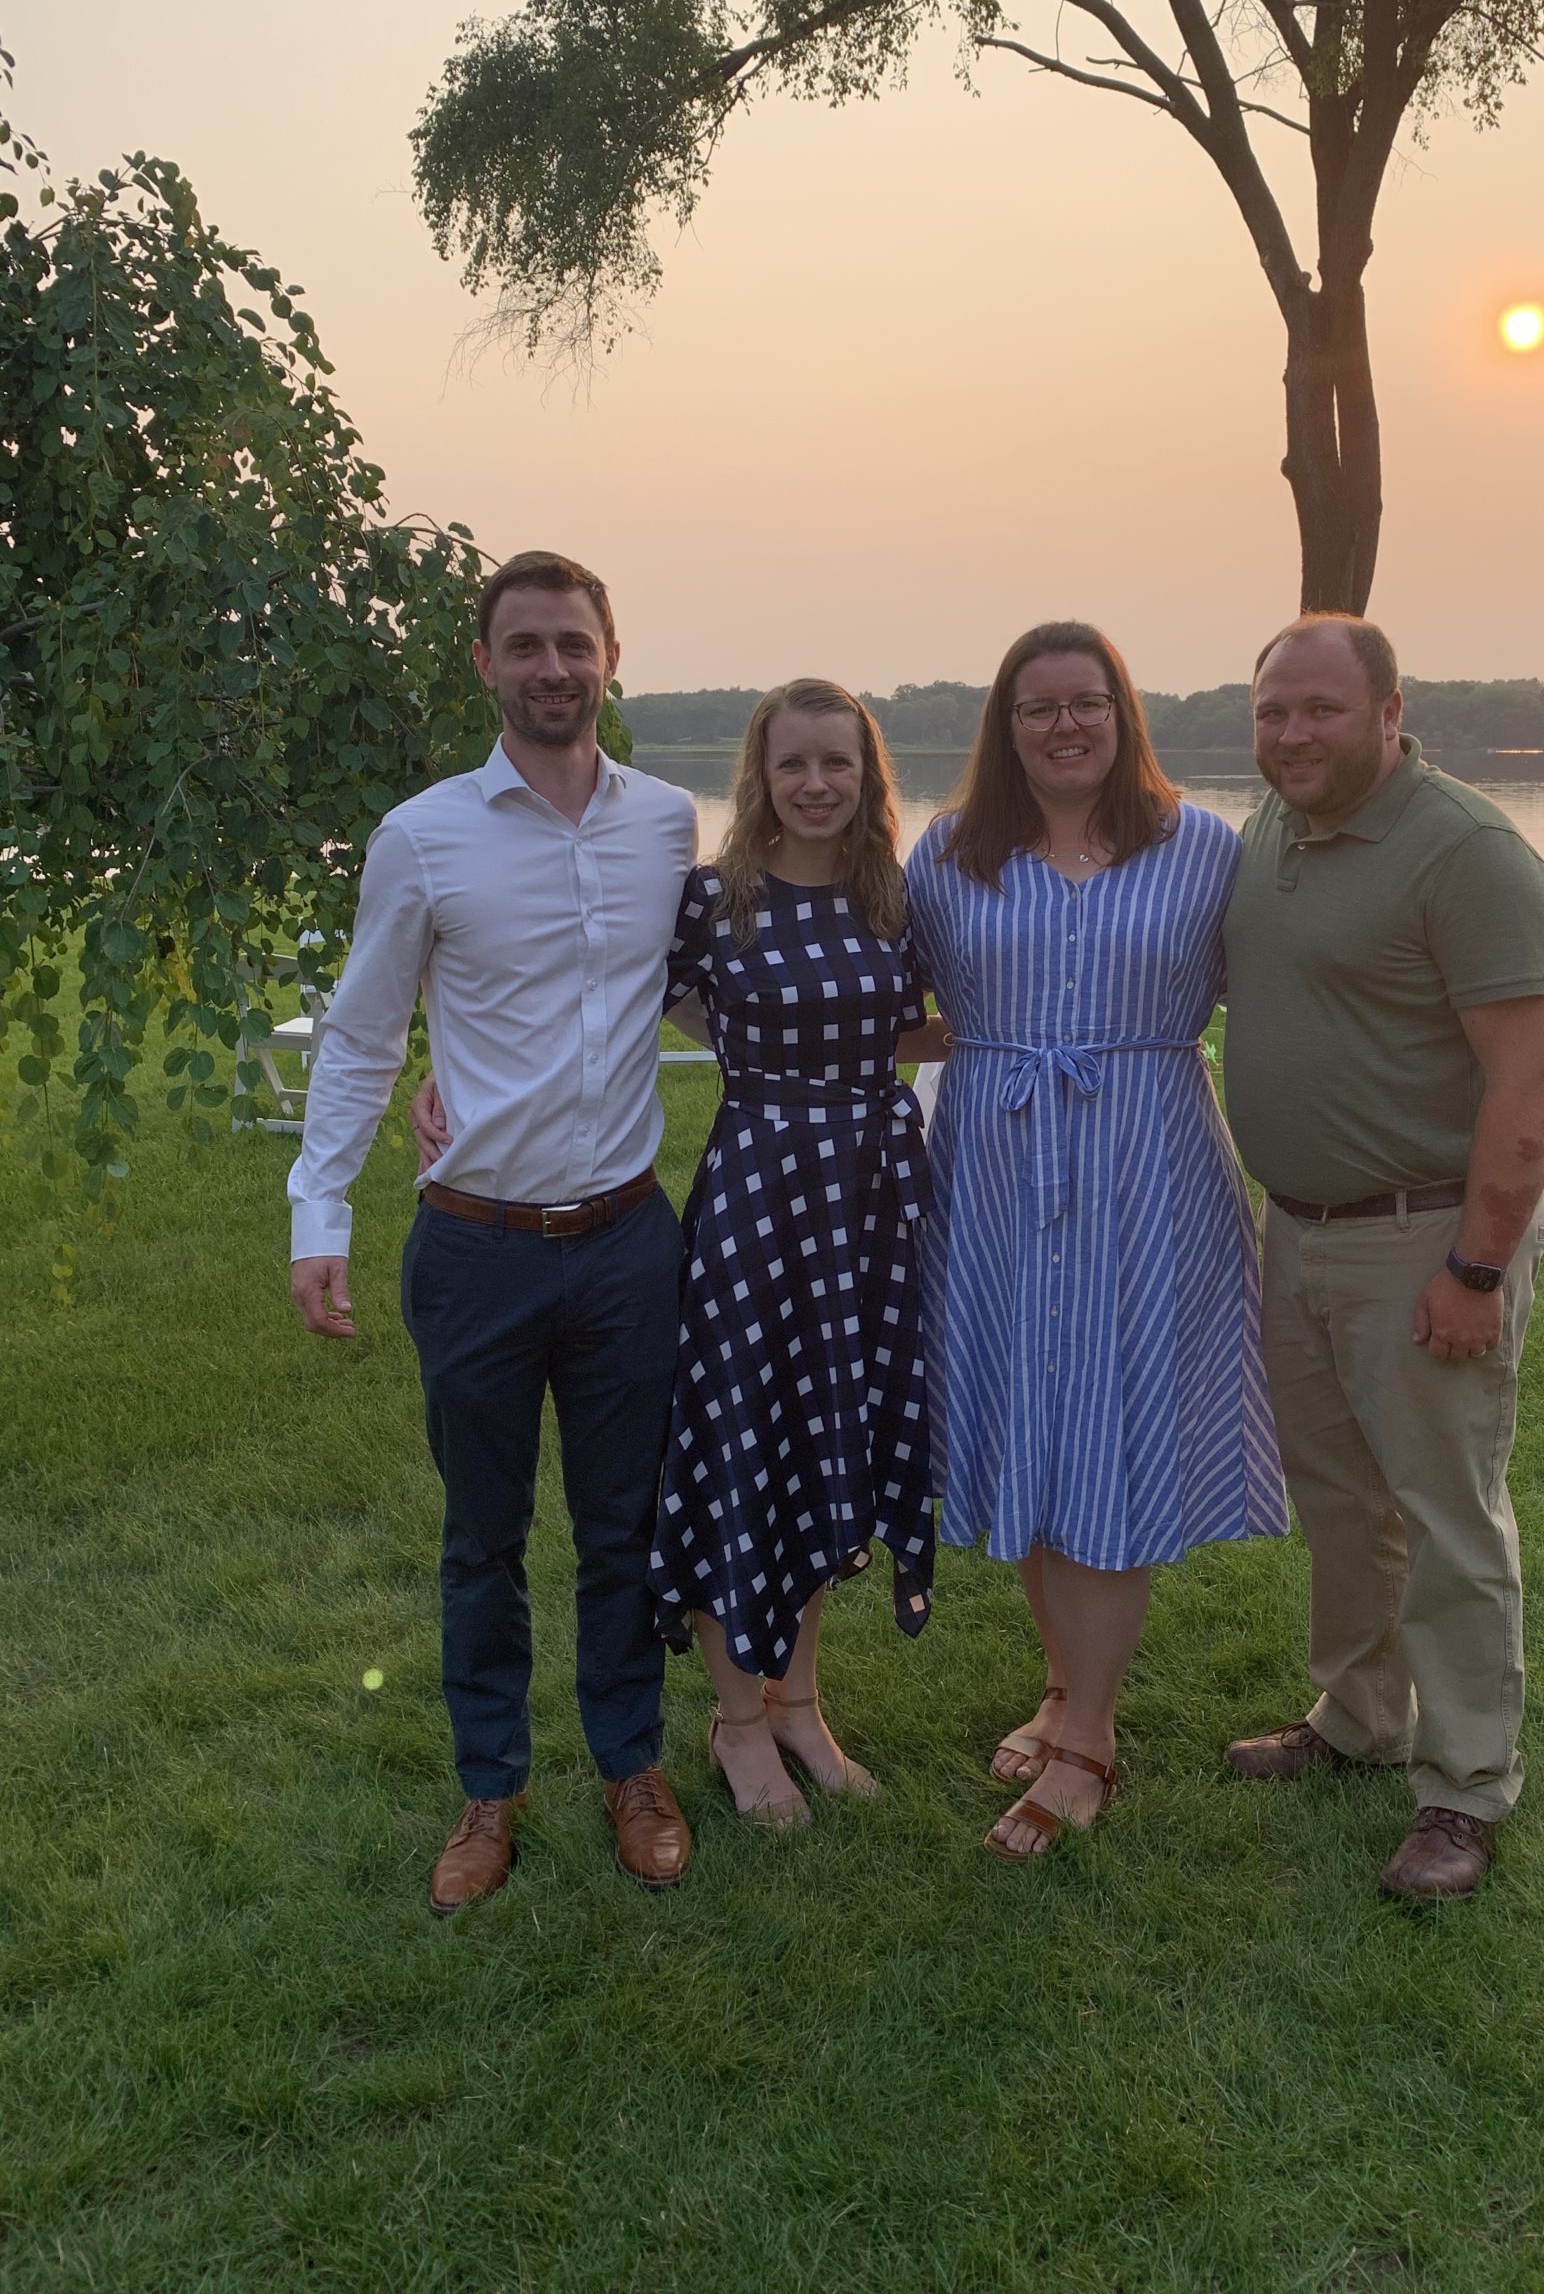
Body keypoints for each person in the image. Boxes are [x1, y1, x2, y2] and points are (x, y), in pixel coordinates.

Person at [288, 549, 697, 1913]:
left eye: (574, 642)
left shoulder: (667, 825)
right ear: (484, 664)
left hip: (629, 1242)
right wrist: (318, 1208)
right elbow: (363, 1032)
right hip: (476, 1247)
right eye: (525, 645)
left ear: (612, 654)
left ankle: (632, 1766)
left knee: (624, 1526)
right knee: (482, 1536)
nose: (553, 667)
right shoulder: (422, 836)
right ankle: (489, 1787)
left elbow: (696, 990)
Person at [907, 621, 1288, 1861]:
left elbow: (1290, 992)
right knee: (1033, 1421)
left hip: (1147, 1174)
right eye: (1039, 707)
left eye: (1087, 702)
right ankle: (1065, 1688)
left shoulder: (1205, 849)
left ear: (1124, 715)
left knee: (1109, 1432)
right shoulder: (946, 856)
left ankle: (1089, 1746)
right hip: (995, 1179)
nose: (1064, 725)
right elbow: (876, 1000)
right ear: (1006, 726)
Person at [1220, 615, 1544, 1902]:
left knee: (1445, 1512)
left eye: (1319, 709)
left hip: (1425, 1234)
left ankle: (1465, 1786)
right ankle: (1362, 1713)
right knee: (1339, 1498)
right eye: (1272, 712)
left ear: (1388, 711)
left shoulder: (1467, 850)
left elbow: (1530, 1076)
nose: (1292, 733)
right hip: (1298, 1227)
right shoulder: (1274, 828)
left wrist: (1475, 1269)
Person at [653, 680, 943, 1826]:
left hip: (869, 1195)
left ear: (869, 776)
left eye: (838, 763)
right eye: (794, 765)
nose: (817, 784)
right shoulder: (712, 898)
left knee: (827, 1437)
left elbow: (913, 1026)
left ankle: (799, 1706)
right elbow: (655, 1000)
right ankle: (736, 1722)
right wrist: (758, 1060)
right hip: (758, 1196)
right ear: (759, 777)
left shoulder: (895, 899)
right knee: (741, 1439)